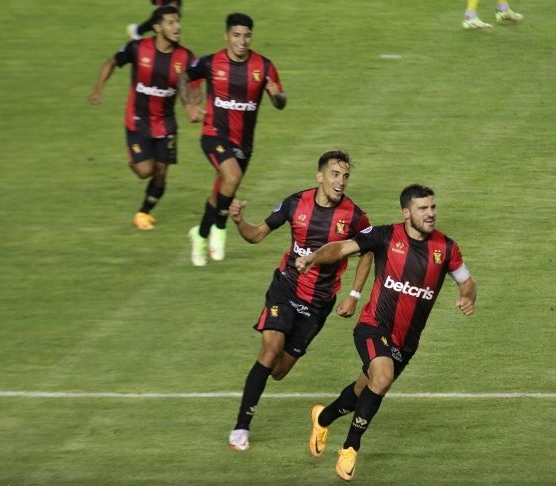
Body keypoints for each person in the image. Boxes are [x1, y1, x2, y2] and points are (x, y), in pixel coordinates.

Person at [295, 184, 477, 482]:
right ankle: (350, 447)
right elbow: (341, 248)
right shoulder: (384, 235)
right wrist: (313, 258)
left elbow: (467, 282)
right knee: (382, 378)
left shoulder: (446, 248)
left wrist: (468, 297)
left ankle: (323, 417)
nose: (430, 213)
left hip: (406, 342)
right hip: (372, 326)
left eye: (432, 207)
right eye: (423, 208)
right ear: (406, 213)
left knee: (362, 390)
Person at [226, 150, 373, 452]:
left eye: (345, 176)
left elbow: (368, 251)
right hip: (286, 289)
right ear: (319, 176)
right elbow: (255, 236)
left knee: (278, 371)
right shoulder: (295, 204)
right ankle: (241, 427)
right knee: (269, 352)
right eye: (335, 174)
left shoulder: (354, 216)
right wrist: (240, 221)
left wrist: (354, 295)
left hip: (319, 304)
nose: (340, 181)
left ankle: (249, 411)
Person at [178, 12, 287, 266]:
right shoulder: (211, 63)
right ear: (226, 36)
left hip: (244, 145)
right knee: (232, 177)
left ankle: (200, 235)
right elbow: (184, 77)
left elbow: (281, 102)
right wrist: (188, 106)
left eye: (247, 35)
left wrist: (275, 95)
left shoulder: (264, 66)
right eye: (236, 35)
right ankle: (219, 227)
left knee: (221, 191)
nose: (242, 41)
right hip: (213, 134)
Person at [89, 5, 200, 230]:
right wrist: (98, 89)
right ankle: (134, 158)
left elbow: (194, 86)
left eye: (178, 21)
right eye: (171, 22)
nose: (177, 26)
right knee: (144, 171)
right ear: (157, 27)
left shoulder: (186, 57)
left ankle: (143, 213)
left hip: (166, 122)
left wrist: (192, 105)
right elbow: (111, 62)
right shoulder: (137, 48)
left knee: (161, 172)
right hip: (137, 120)